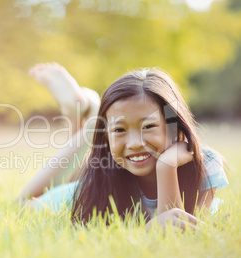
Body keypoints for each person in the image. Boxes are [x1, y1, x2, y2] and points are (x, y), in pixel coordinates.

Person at [16, 62, 229, 230]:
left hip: (106, 167)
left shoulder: (205, 163)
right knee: (24, 203)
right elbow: (23, 206)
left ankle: (91, 114)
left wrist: (166, 166)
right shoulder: (98, 180)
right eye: (119, 130)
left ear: (174, 126)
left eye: (148, 126)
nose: (135, 144)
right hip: (103, 178)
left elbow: (176, 229)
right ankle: (90, 126)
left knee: (80, 172)